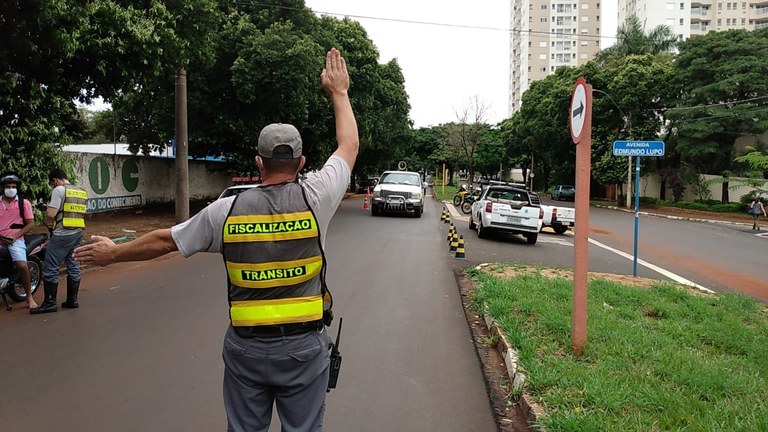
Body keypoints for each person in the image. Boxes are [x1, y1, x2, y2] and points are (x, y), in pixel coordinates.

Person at [74, 48, 358, 431]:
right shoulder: (317, 197)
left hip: (247, 351)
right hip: (303, 350)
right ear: (302, 163)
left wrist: (112, 255)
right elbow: (348, 147)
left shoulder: (226, 211)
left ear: (258, 162)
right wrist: (339, 93)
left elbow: (165, 241)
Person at [31, 169, 88, 314]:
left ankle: (50, 302)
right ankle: (72, 300)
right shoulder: (81, 191)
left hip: (62, 234)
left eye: (52, 183)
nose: (52, 185)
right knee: (73, 265)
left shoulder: (59, 190)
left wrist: (46, 209)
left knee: (51, 266)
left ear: (55, 180)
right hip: (77, 232)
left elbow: (51, 215)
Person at [0, 174, 38, 308]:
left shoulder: (23, 203)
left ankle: (29, 296)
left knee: (22, 265)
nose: (10, 189)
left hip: (15, 239)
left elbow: (30, 223)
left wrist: (15, 236)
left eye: (13, 187)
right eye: (8, 187)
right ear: (2, 188)